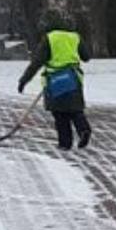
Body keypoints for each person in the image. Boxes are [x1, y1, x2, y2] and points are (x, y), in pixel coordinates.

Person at [18, 9, 92, 151]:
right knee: (75, 108)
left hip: (55, 79)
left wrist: (24, 80)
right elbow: (86, 57)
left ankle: (65, 143)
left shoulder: (49, 38)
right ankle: (83, 129)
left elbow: (37, 62)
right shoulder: (74, 37)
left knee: (59, 113)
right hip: (73, 77)